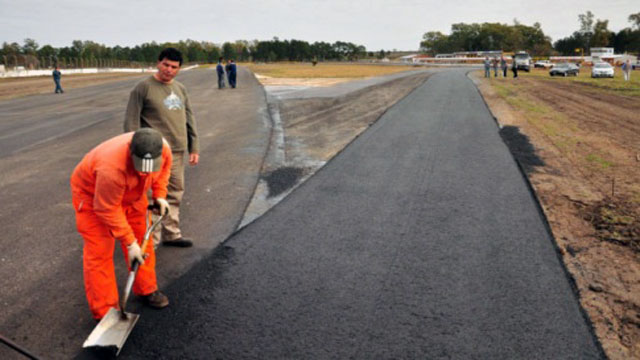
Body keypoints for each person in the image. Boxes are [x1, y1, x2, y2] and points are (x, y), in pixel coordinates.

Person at [70, 128, 172, 320]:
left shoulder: (164, 148)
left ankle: (146, 289)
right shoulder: (111, 168)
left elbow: (164, 170)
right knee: (99, 254)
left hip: (132, 195)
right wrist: (129, 243)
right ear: (130, 152)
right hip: (95, 199)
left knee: (144, 241)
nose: (144, 172)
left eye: (149, 168)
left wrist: (160, 196)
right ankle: (105, 312)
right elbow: (107, 208)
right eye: (140, 166)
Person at [124, 47, 199, 248]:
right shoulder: (143, 88)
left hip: (176, 151)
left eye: (174, 67)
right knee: (152, 196)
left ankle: (172, 233)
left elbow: (189, 118)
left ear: (179, 69)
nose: (169, 70)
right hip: (153, 153)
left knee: (175, 192)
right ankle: (151, 240)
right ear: (158, 63)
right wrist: (132, 151)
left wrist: (194, 147)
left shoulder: (181, 89)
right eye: (166, 65)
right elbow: (131, 122)